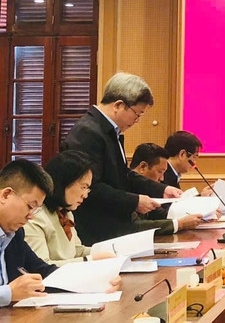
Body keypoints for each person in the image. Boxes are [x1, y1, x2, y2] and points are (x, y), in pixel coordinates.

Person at [62, 72, 181, 245]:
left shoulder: (108, 131)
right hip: (96, 229)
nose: (137, 121)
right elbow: (91, 187)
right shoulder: (88, 132)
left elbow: (122, 174)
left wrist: (160, 189)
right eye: (137, 114)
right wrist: (134, 201)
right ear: (118, 105)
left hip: (110, 226)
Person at [23, 151, 115, 266]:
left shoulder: (65, 212)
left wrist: (111, 252)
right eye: (83, 187)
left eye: (88, 189)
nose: (85, 195)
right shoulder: (36, 217)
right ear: (63, 182)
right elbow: (42, 266)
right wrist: (89, 259)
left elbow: (76, 251)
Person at [0, 159, 56, 306]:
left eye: (36, 210)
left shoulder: (15, 235)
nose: (31, 216)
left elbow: (43, 272)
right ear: (5, 195)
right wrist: (8, 293)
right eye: (30, 206)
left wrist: (95, 280)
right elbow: (12, 291)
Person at [128, 143, 203, 235]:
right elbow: (136, 227)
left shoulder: (147, 190)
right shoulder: (124, 190)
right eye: (160, 172)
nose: (162, 178)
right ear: (143, 167)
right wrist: (179, 224)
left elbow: (162, 214)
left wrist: (200, 213)